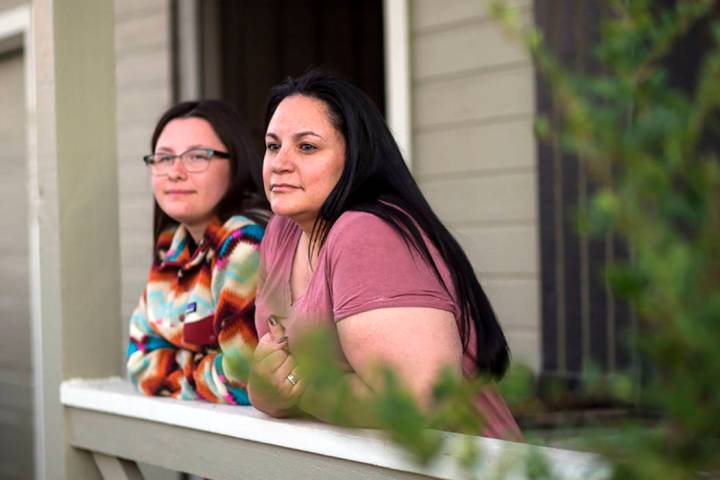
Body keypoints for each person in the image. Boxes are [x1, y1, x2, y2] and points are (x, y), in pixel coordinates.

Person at [248, 71, 522, 439]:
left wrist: (300, 390)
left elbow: (420, 399)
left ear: (355, 156)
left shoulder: (368, 233)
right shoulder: (283, 232)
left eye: (307, 147)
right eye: (272, 146)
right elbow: (273, 374)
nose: (280, 162)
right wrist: (265, 391)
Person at [127, 100, 268, 404]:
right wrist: (206, 363)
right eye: (164, 159)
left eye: (196, 157)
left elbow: (244, 376)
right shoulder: (172, 245)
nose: (175, 172)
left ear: (236, 162)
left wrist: (173, 366)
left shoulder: (243, 243)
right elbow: (138, 358)